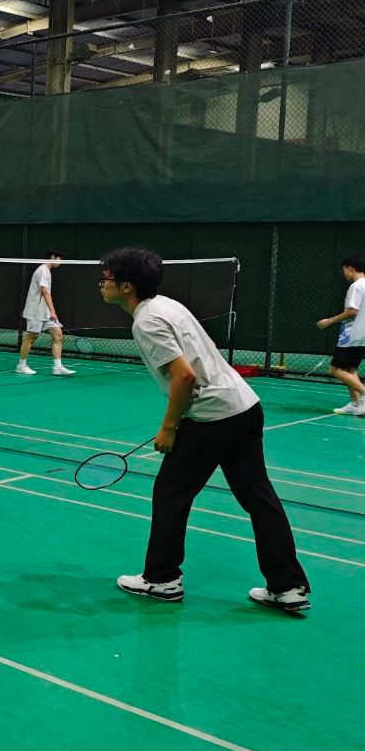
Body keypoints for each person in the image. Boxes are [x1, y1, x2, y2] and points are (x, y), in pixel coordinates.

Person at [99, 247, 311, 613]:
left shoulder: (146, 322)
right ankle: (287, 587)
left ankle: (162, 580)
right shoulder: (168, 305)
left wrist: (168, 427)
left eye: (106, 278)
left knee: (171, 492)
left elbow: (184, 376)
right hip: (244, 406)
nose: (101, 284)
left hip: (213, 416)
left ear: (127, 286)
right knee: (259, 498)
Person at [316, 255, 365, 416]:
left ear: (350, 268)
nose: (343, 274)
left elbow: (352, 311)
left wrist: (329, 321)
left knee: (335, 369)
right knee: (350, 370)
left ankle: (363, 394)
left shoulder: (356, 286)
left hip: (351, 335)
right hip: (361, 334)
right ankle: (356, 404)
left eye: (344, 270)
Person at [16, 249, 75, 377]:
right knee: (31, 337)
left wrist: (49, 312)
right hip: (36, 311)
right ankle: (21, 366)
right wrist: (53, 312)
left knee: (58, 335)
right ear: (53, 257)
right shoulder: (43, 270)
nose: (60, 262)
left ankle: (57, 367)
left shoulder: (47, 271)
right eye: (59, 259)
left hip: (45, 311)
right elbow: (45, 292)